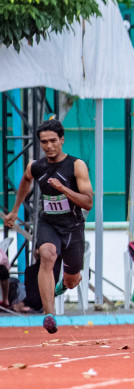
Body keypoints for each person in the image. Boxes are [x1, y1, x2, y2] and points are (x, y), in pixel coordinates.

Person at [2, 118, 94, 335]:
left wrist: (63, 188)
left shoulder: (76, 165)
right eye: (44, 142)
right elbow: (26, 180)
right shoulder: (36, 166)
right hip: (48, 223)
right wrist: (15, 210)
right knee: (47, 253)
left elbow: (88, 201)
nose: (49, 146)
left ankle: (65, 283)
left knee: (72, 281)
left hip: (72, 227)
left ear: (62, 140)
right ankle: (49, 315)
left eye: (53, 141)